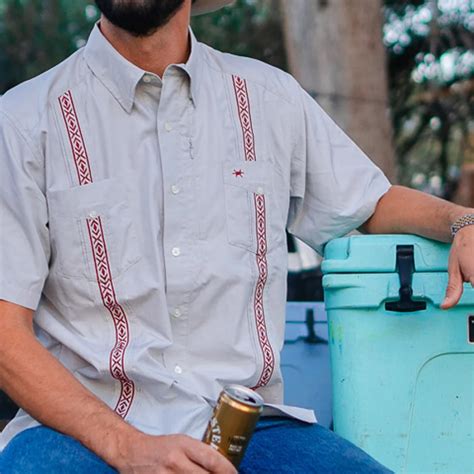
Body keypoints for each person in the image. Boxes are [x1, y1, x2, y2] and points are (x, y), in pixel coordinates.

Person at [0, 0, 472, 472]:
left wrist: (463, 221)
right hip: (78, 430)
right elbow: (5, 333)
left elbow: (370, 203)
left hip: (252, 426)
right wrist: (124, 446)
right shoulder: (22, 122)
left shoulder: (270, 98)